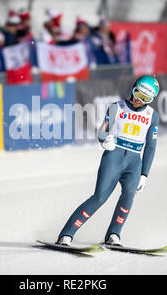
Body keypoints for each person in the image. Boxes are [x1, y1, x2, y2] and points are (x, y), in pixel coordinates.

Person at [57, 75, 160, 247]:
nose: (138, 100)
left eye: (145, 99)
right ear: (133, 88)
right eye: (137, 94)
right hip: (113, 158)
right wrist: (104, 141)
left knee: (128, 197)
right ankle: (66, 235)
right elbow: (103, 131)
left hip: (134, 163)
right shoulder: (117, 107)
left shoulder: (152, 116)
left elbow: (151, 146)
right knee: (99, 197)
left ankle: (114, 235)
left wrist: (144, 174)